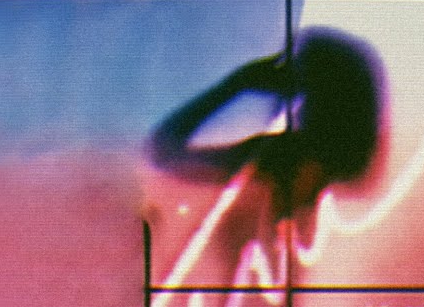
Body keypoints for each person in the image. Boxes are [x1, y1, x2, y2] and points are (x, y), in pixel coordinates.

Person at [151, 27, 385, 229]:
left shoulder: (281, 156)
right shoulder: (297, 158)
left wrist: (236, 84)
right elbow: (165, 151)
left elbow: (165, 150)